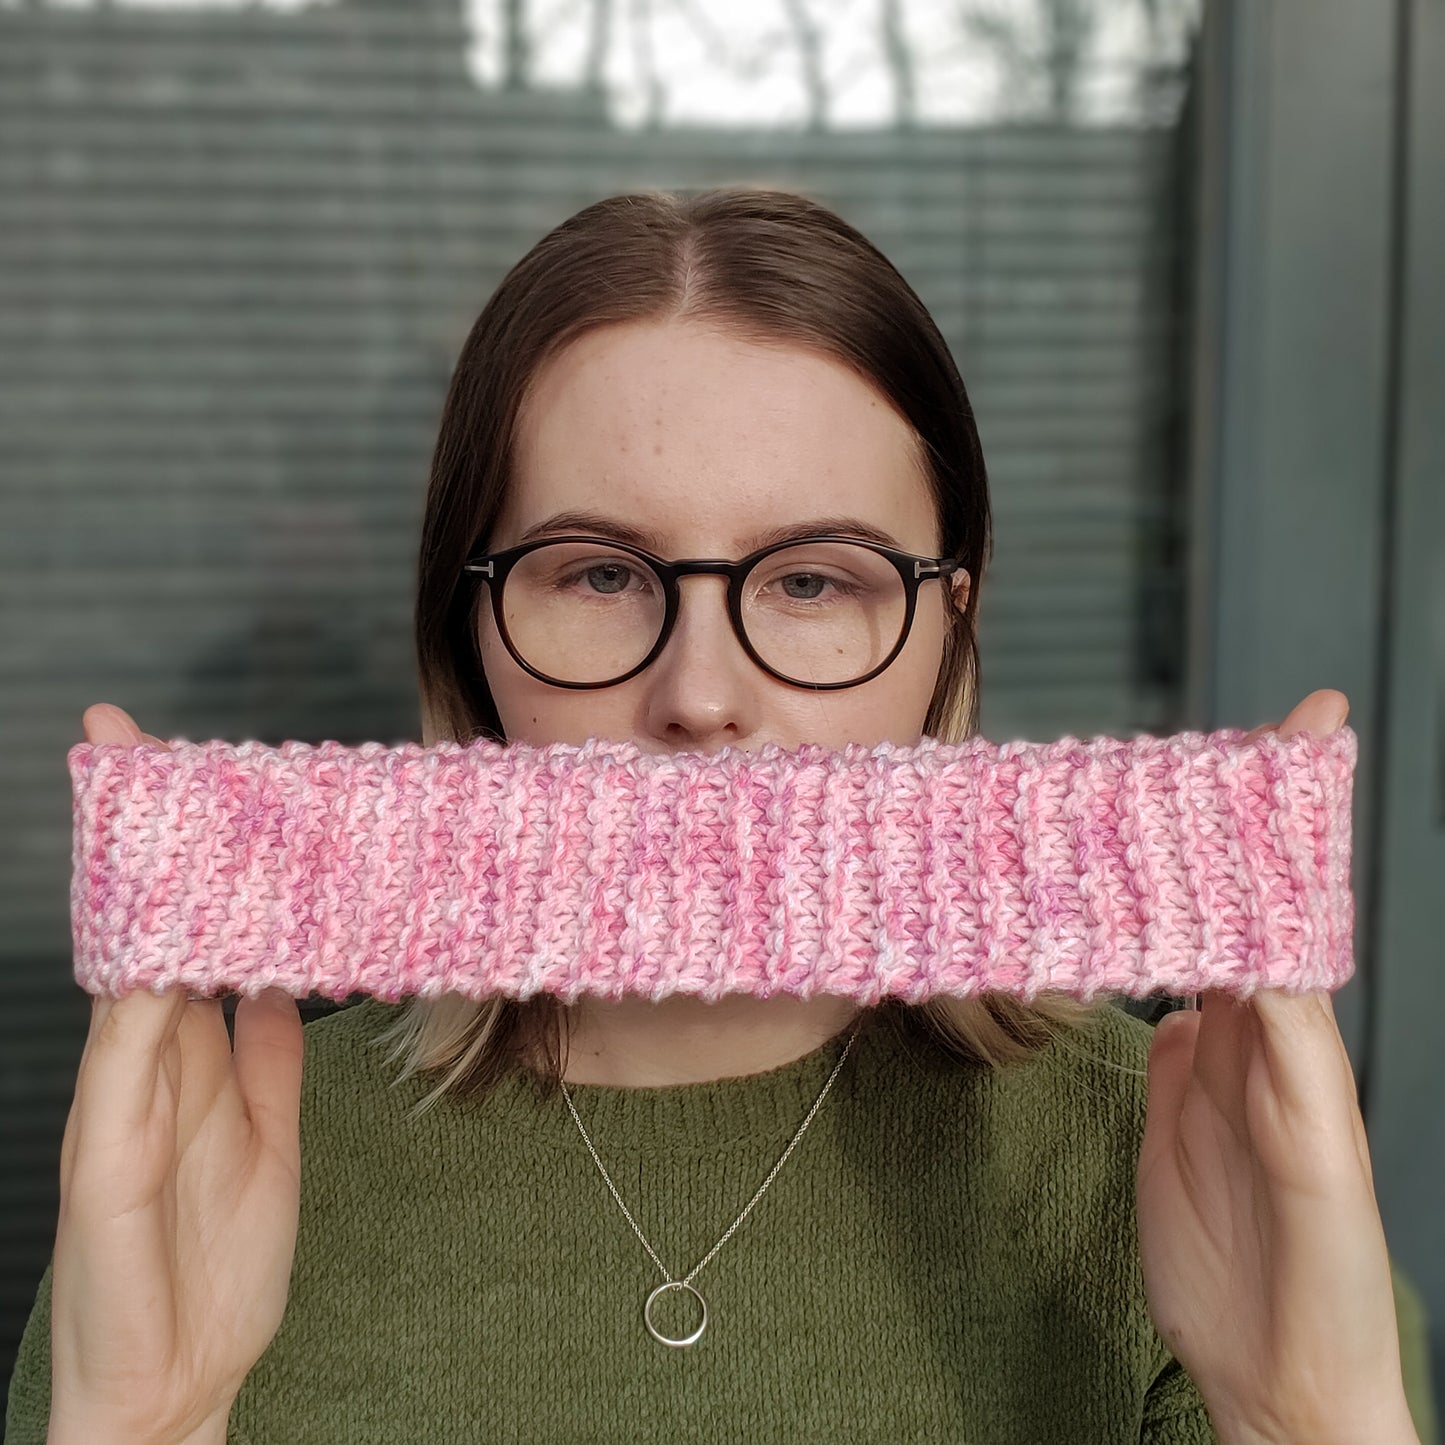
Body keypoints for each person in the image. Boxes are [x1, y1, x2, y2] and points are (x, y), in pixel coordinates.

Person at [5, 188, 1419, 1445]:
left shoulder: (1182, 1167)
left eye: (811, 581)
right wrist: (146, 1421)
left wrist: (1302, 1417)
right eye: (598, 574)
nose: (699, 695)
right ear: (470, 623)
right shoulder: (213, 1169)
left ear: (947, 622)